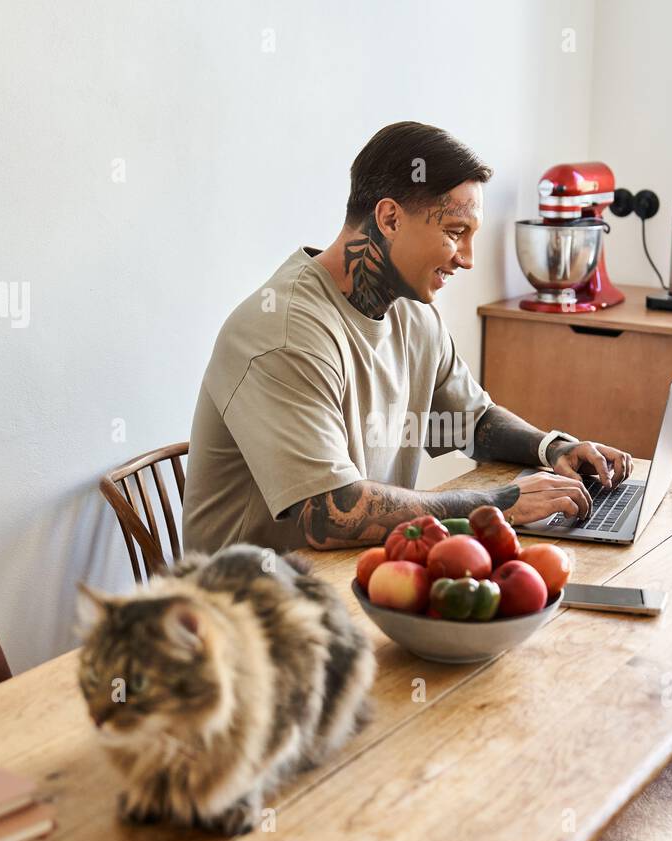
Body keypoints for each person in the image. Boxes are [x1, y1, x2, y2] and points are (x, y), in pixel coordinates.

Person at [183, 121, 634, 553]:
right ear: (390, 219)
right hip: (243, 613)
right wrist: (501, 504)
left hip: (357, 575)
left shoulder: (413, 315)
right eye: (455, 232)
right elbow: (326, 512)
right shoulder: (282, 332)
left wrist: (553, 447)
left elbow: (471, 422)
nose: (468, 259)